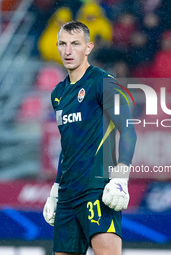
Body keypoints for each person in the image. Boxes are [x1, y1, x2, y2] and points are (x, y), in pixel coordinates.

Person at [43, 21, 137, 255]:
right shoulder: (58, 94)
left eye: (75, 44)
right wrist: (56, 189)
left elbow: (127, 129)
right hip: (67, 195)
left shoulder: (102, 82)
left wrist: (121, 177)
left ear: (88, 47)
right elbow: (68, 146)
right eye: (63, 44)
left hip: (97, 188)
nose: (68, 50)